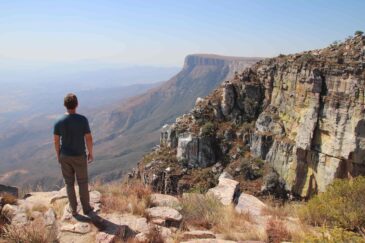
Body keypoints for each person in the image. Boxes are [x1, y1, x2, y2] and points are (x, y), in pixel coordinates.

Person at [53, 93, 94, 216]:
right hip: (79, 156)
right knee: (82, 182)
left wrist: (58, 154)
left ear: (65, 105)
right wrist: (90, 153)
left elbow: (55, 140)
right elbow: (89, 138)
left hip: (65, 156)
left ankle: (73, 208)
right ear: (77, 104)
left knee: (69, 183)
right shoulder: (82, 120)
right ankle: (86, 208)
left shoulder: (58, 121)